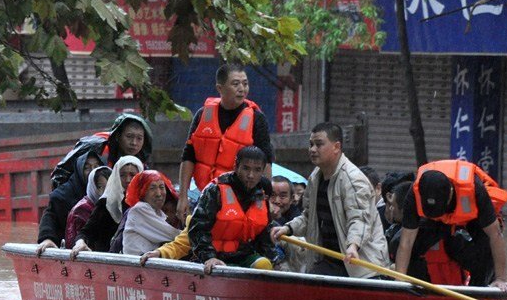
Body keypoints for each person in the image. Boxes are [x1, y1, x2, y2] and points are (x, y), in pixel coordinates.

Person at [271, 122, 389, 278]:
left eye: (319, 144)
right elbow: (309, 216)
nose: (312, 149)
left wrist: (353, 246)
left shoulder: (353, 180)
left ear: (336, 147)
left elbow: (360, 219)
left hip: (362, 264)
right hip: (329, 260)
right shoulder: (315, 178)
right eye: (311, 144)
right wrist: (288, 228)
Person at [395, 159, 507, 291]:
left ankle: (478, 287)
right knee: (397, 243)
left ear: (450, 192)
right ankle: (420, 287)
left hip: (471, 218)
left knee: (486, 249)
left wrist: (501, 278)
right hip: (435, 221)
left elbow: (495, 235)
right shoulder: (415, 193)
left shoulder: (475, 189)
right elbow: (406, 242)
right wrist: (399, 281)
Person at [176, 63, 272, 222]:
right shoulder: (203, 114)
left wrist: (264, 201)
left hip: (240, 198)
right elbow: (188, 156)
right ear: (220, 88)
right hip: (204, 195)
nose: (242, 88)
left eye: (245, 83)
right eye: (236, 84)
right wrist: (183, 196)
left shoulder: (257, 118)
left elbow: (266, 161)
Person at [189, 146, 277, 274]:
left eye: (257, 170)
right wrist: (209, 257)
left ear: (263, 171)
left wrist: (274, 261)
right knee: (224, 270)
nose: (251, 175)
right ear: (236, 166)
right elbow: (197, 228)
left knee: (265, 264)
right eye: (246, 168)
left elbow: (265, 238)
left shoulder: (262, 195)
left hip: (244, 256)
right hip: (215, 257)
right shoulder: (215, 190)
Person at [385, 180, 465, 284]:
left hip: (451, 291)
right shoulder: (398, 236)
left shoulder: (450, 233)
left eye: (393, 205)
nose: (391, 209)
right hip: (428, 290)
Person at [50, 113, 153, 188]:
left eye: (139, 138)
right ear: (117, 136)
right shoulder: (94, 146)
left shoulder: (140, 163)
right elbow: (60, 173)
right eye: (129, 136)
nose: (134, 143)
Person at [70, 156, 144, 256]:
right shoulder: (107, 202)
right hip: (110, 261)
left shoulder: (146, 202)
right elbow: (86, 232)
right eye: (122, 175)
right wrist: (80, 243)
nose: (128, 179)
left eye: (132, 175)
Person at [36, 148, 105, 255]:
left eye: (96, 167)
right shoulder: (63, 195)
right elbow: (50, 217)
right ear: (79, 170)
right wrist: (47, 239)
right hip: (72, 250)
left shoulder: (111, 193)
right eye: (87, 168)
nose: (93, 171)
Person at [121, 171, 181, 255]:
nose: (159, 194)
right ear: (142, 192)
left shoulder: (159, 213)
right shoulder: (140, 209)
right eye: (152, 188)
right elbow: (172, 235)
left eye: (162, 187)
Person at [64, 166, 111, 248]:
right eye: (100, 187)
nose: (105, 192)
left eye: (109, 186)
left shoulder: (114, 207)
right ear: (92, 187)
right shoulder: (82, 209)